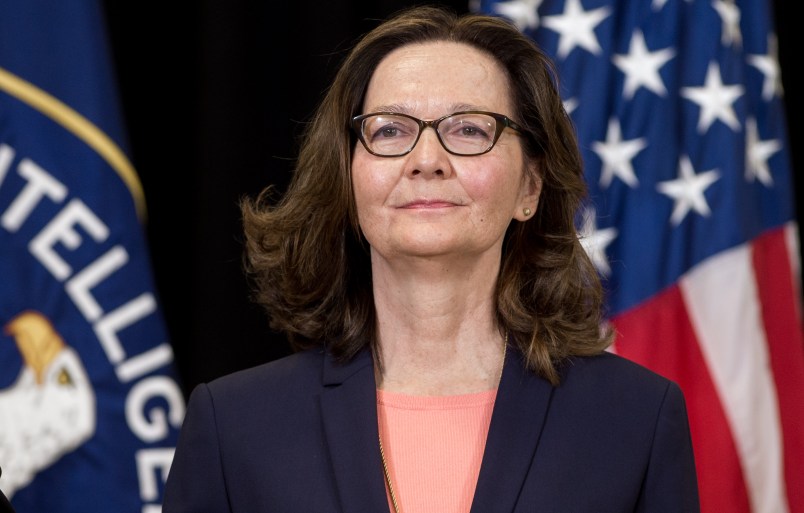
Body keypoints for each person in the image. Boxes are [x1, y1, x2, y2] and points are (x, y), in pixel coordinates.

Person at [162, 5, 700, 513]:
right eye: (390, 130)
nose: (426, 160)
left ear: (529, 188)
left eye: (468, 129)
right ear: (348, 180)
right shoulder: (233, 426)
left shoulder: (636, 420)